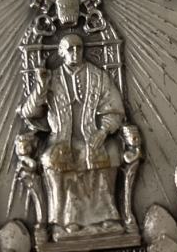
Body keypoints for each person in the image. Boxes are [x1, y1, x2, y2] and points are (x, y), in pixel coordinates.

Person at [19, 34, 125, 239]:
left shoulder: (98, 76)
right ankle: (66, 221)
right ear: (61, 52)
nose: (75, 52)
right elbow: (29, 113)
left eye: (79, 48)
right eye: (70, 49)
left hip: (93, 136)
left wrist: (103, 131)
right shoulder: (51, 79)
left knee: (110, 153)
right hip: (60, 140)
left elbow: (114, 109)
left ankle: (107, 218)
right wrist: (41, 86)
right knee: (55, 160)